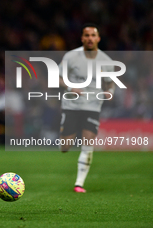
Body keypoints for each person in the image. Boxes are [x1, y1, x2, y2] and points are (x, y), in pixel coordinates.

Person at [58, 23, 115, 193]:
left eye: (93, 35)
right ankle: (70, 132)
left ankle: (79, 184)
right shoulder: (71, 57)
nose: (90, 38)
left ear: (98, 38)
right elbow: (59, 78)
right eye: (86, 35)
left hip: (92, 106)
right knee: (65, 147)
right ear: (82, 38)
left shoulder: (106, 61)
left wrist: (109, 91)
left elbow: (110, 82)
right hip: (72, 105)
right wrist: (70, 88)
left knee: (88, 143)